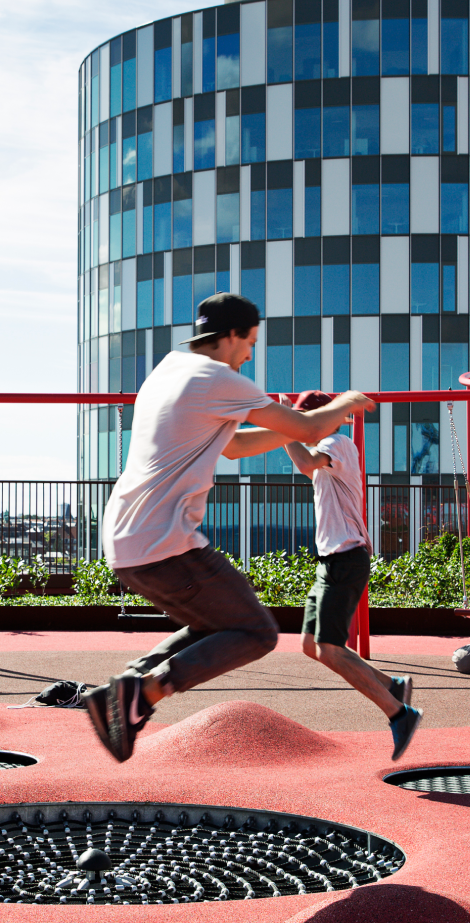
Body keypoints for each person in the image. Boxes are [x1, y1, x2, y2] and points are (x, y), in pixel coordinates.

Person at [84, 293, 376, 762]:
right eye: (250, 343)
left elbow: (236, 446)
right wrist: (346, 403)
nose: (249, 355)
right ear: (231, 336)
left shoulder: (169, 369)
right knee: (257, 631)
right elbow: (305, 429)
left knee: (217, 624)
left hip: (125, 536)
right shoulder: (218, 377)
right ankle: (139, 694)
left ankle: (130, 684)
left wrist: (301, 424)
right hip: (164, 540)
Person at [283, 390, 421, 758]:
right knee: (312, 646)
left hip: (345, 558)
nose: (303, 427)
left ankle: (399, 713)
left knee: (329, 648)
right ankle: (393, 686)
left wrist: (282, 427)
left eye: (306, 420)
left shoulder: (337, 442)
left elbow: (305, 462)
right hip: (333, 559)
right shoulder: (327, 444)